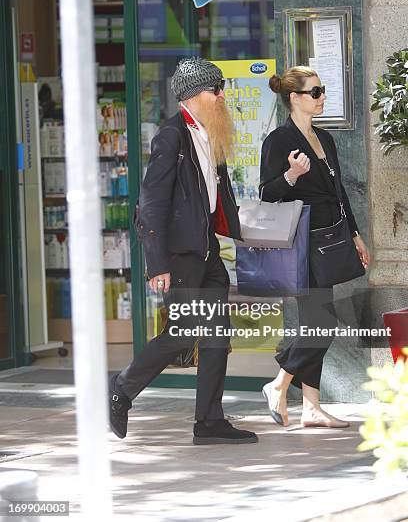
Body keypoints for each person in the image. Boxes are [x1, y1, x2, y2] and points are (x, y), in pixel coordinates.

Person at [109, 57, 258, 446]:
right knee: (183, 332)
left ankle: (209, 421)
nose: (221, 95)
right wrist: (157, 262)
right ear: (193, 95)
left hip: (207, 250)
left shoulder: (211, 133)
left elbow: (212, 197)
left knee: (217, 337)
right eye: (215, 89)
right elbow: (151, 202)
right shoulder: (171, 136)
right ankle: (121, 389)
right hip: (179, 254)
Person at [260, 66, 370, 428]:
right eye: (315, 92)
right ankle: (278, 383)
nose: (322, 97)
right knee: (320, 324)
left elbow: (340, 195)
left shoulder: (326, 138)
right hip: (302, 242)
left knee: (316, 322)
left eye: (322, 90)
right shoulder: (279, 140)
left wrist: (355, 235)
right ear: (295, 98)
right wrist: (292, 175)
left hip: (330, 240)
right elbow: (266, 193)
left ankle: (311, 407)